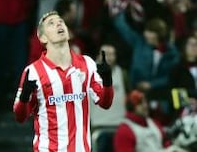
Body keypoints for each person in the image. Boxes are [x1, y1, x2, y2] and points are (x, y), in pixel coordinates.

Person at [13, 11, 114, 151]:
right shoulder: (33, 72)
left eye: (60, 21)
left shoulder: (87, 63)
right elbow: (20, 117)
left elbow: (105, 103)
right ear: (42, 38)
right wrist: (25, 97)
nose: (58, 23)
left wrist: (108, 82)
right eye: (51, 23)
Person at [113, 90, 186, 152]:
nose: (145, 106)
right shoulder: (124, 131)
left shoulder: (153, 122)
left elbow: (165, 142)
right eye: (140, 103)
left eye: (145, 102)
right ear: (132, 107)